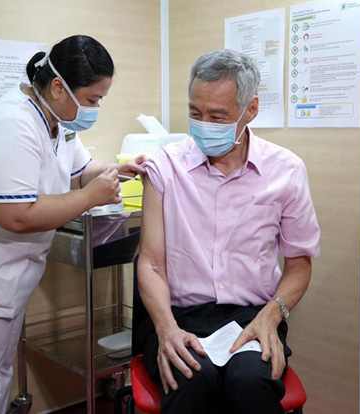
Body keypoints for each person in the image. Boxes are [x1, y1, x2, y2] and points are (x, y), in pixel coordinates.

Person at [0, 35, 145, 414]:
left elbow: (80, 173)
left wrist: (118, 171)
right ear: (57, 86)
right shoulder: (11, 123)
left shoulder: (57, 120)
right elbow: (15, 214)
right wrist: (90, 197)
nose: (95, 108)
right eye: (93, 99)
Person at [136, 49, 320, 414]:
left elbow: (299, 263)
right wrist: (166, 329)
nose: (203, 123)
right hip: (179, 315)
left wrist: (271, 316)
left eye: (217, 116)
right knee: (192, 377)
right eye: (194, 112)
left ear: (250, 110)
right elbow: (151, 263)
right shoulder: (164, 167)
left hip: (254, 315)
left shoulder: (286, 171)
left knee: (250, 381)